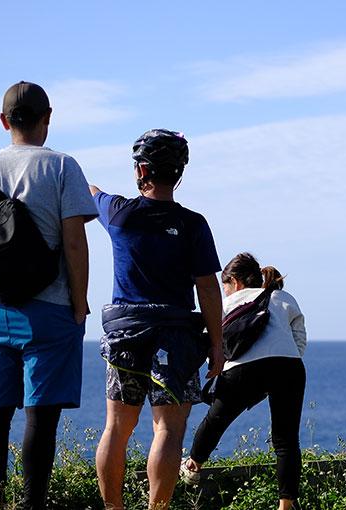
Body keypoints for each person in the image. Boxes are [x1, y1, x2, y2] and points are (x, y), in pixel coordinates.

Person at [0, 81, 98, 509]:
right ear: (48, 117)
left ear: (4, 122)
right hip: (51, 308)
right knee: (41, 416)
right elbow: (74, 242)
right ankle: (32, 504)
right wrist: (79, 304)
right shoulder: (62, 167)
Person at [88, 129, 225, 510]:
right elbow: (208, 288)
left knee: (117, 427)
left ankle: (114, 508)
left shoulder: (119, 213)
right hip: (176, 336)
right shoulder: (194, 224)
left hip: (125, 332)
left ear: (142, 169)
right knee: (168, 427)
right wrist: (217, 343)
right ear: (179, 171)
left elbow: (90, 192)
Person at [184, 253, 307, 510]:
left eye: (224, 286)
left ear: (236, 282)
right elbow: (299, 335)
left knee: (216, 419)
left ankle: (193, 464)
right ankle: (286, 503)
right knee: (286, 440)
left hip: (243, 370)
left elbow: (213, 345)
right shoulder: (282, 297)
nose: (224, 292)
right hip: (289, 366)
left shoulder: (226, 305)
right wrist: (285, 357)